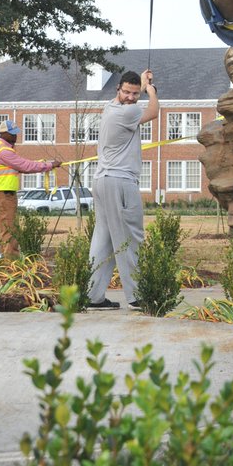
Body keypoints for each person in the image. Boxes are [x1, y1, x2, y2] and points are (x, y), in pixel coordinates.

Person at [88, 69, 159, 308]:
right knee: (130, 237)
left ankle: (92, 296)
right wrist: (150, 90)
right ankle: (138, 296)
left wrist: (141, 84)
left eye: (134, 93)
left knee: (104, 240)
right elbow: (154, 112)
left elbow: (134, 97)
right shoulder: (129, 111)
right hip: (120, 182)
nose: (130, 97)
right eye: (127, 92)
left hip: (101, 181)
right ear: (117, 89)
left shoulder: (110, 107)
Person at [0, 121, 62, 258]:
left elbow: (22, 167)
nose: (16, 137)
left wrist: (41, 165)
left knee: (8, 229)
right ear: (4, 134)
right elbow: (25, 165)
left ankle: (6, 260)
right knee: (10, 231)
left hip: (3, 194)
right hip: (3, 195)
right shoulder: (4, 152)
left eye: (16, 133)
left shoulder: (3, 149)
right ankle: (11, 263)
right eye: (13, 134)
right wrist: (50, 165)